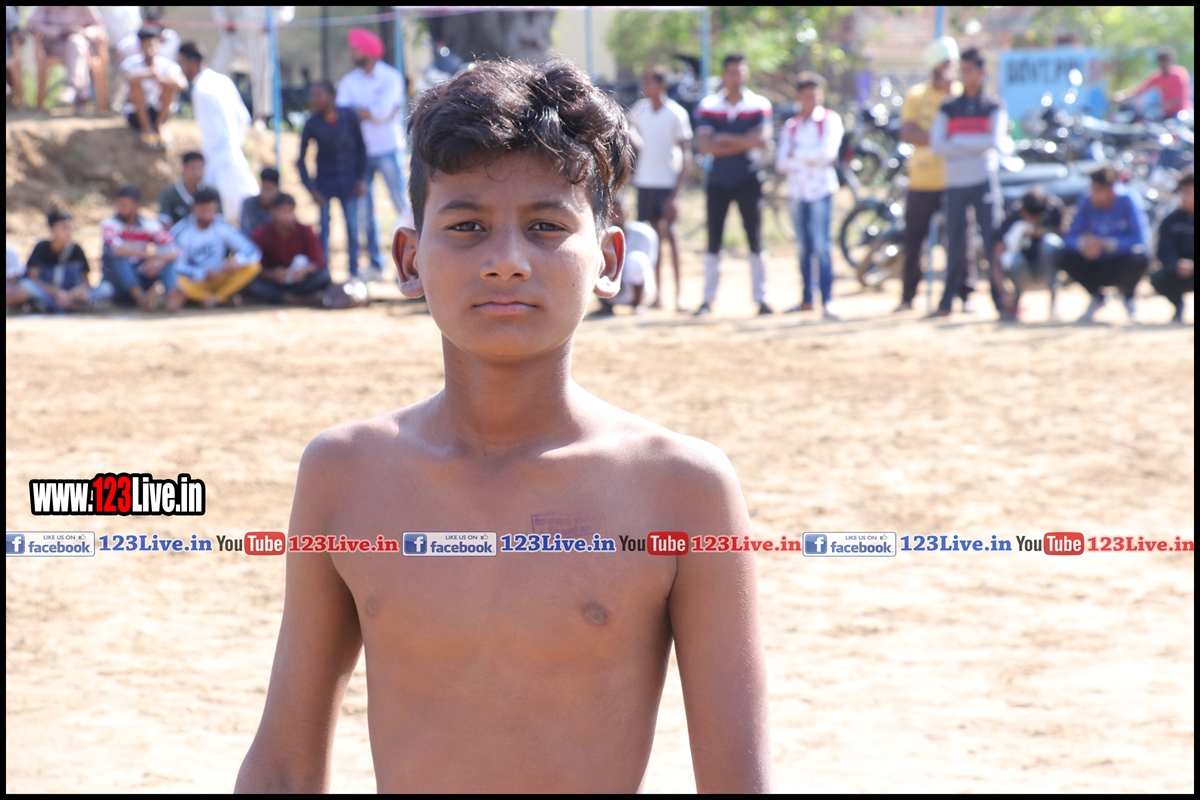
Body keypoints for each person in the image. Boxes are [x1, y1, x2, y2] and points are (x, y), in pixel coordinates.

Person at [234, 59, 769, 794]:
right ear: (409, 259)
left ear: (609, 260)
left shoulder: (680, 490)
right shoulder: (345, 475)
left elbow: (740, 782)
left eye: (547, 227)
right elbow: (285, 768)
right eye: (467, 227)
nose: (507, 262)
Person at [693, 53, 774, 316]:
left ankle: (761, 298)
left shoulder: (759, 104)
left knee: (755, 238)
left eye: (740, 72)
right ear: (724, 75)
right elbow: (705, 146)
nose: (736, 77)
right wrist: (743, 141)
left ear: (746, 74)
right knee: (713, 240)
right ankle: (707, 300)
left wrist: (723, 138)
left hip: (749, 179)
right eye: (732, 72)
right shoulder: (708, 105)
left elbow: (761, 140)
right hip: (718, 180)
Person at [929, 47, 1006, 319]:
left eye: (970, 70)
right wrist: (976, 144)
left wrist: (957, 142)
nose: (965, 75)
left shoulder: (993, 106)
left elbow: (995, 141)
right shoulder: (949, 107)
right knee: (955, 243)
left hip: (983, 181)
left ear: (982, 72)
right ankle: (947, 302)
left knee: (991, 241)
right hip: (956, 183)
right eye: (962, 70)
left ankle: (1000, 300)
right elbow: (938, 145)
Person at [336, 27, 411, 283]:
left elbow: (380, 114)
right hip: (360, 154)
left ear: (367, 51)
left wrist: (361, 112)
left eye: (355, 49)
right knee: (364, 211)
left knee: (402, 205)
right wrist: (368, 112)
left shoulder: (391, 78)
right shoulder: (349, 81)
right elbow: (344, 115)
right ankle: (376, 265)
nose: (351, 53)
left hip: (388, 148)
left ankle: (413, 261)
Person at [895, 37, 960, 313]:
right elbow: (908, 132)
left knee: (959, 240)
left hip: (955, 180)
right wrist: (942, 139)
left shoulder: (960, 95)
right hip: (922, 180)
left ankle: (964, 293)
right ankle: (908, 296)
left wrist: (935, 137)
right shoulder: (917, 95)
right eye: (945, 63)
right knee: (913, 240)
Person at [775, 71, 843, 319]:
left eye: (816, 96)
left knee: (822, 246)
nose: (812, 101)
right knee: (804, 247)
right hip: (797, 192)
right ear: (798, 98)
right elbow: (781, 162)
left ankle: (827, 300)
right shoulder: (792, 126)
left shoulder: (829, 120)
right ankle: (806, 299)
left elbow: (827, 154)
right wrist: (809, 155)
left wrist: (797, 154)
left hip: (820, 191)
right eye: (807, 96)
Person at [628, 64, 692, 311]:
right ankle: (656, 295)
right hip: (645, 182)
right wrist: (635, 138)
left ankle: (679, 294)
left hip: (666, 183)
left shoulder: (676, 114)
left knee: (671, 237)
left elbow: (686, 155)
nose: (644, 87)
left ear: (661, 84)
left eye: (649, 82)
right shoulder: (640, 110)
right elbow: (627, 126)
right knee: (650, 241)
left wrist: (676, 193)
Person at [176, 41, 259, 224]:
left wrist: (213, 156)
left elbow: (212, 131)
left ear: (191, 63)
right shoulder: (223, 80)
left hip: (217, 157)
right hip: (234, 152)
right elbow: (243, 118)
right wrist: (235, 144)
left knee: (222, 214)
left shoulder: (200, 90)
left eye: (181, 62)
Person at [1058, 166, 1150, 323]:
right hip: (1093, 262)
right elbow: (1070, 237)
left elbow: (1140, 239)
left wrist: (1108, 244)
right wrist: (1084, 244)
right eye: (1092, 189)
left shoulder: (1128, 199)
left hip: (1120, 262)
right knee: (1063, 255)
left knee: (1141, 257)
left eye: (1098, 190)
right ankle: (1097, 297)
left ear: (1111, 189)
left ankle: (1129, 298)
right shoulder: (1087, 200)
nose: (1093, 194)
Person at [298, 80, 368, 276]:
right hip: (324, 184)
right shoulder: (312, 123)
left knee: (353, 229)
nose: (314, 100)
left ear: (332, 97)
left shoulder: (349, 116)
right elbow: (300, 159)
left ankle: (354, 274)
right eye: (312, 96)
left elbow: (361, 149)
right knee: (324, 231)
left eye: (318, 95)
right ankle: (324, 275)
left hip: (349, 183)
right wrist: (311, 188)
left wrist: (362, 178)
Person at [170, 188, 262, 309]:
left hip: (220, 275)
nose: (208, 214)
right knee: (178, 281)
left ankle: (217, 298)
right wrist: (202, 273)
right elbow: (175, 265)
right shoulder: (182, 231)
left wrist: (237, 261)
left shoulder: (221, 226)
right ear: (194, 209)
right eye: (203, 210)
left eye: (211, 210)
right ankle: (213, 298)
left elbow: (252, 251)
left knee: (253, 267)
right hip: (195, 280)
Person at [100, 184, 183, 311]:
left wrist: (158, 262)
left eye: (124, 205)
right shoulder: (109, 224)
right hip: (116, 279)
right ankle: (140, 298)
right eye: (119, 204)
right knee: (119, 259)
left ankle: (172, 298)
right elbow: (115, 250)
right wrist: (149, 256)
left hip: (140, 273)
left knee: (168, 261)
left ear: (136, 206)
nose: (120, 208)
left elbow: (175, 249)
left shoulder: (148, 225)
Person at [992, 188, 1067, 322]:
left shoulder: (1054, 209)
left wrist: (1043, 232)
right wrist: (1004, 294)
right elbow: (996, 259)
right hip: (1022, 268)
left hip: (1046, 267)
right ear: (1023, 211)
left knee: (1051, 244)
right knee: (1014, 260)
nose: (1032, 220)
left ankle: (1054, 304)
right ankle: (1015, 303)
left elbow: (1064, 237)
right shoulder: (1013, 217)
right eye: (1029, 216)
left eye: (1037, 217)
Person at [210, 6, 294, 122]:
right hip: (234, 31)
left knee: (261, 75)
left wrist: (272, 22)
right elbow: (217, 8)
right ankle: (213, 109)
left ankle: (261, 117)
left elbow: (286, 11)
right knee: (218, 68)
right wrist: (224, 21)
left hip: (260, 33)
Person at [19, 210, 113, 312]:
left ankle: (68, 305)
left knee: (106, 288)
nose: (68, 232)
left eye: (70, 228)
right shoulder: (41, 248)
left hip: (72, 296)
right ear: (51, 229)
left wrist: (76, 292)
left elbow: (86, 281)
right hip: (49, 295)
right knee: (26, 285)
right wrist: (56, 293)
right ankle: (69, 306)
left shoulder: (76, 249)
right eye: (64, 228)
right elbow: (33, 278)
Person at [247, 194, 332, 306]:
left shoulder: (305, 231)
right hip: (274, 282)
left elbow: (318, 261)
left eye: (290, 211)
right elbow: (252, 265)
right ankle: (299, 299)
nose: (287, 216)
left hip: (299, 282)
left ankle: (285, 298)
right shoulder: (260, 234)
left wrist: (304, 271)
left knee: (324, 276)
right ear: (272, 211)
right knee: (253, 284)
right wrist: (271, 274)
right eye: (283, 211)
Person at [27, 6, 106, 112]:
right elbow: (32, 24)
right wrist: (60, 32)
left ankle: (73, 88)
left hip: (80, 47)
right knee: (77, 46)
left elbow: (100, 27)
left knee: (75, 41)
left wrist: (83, 31)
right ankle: (80, 95)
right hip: (55, 48)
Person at [119, 26, 185, 149]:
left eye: (152, 44)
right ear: (140, 46)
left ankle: (160, 125)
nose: (150, 48)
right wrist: (149, 74)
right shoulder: (131, 63)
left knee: (170, 86)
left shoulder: (168, 65)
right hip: (135, 114)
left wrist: (160, 78)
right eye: (146, 45)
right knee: (136, 86)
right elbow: (128, 78)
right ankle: (146, 128)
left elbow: (182, 84)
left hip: (158, 111)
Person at [593, 199, 658, 316]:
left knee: (636, 260)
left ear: (628, 212)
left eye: (621, 212)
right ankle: (607, 305)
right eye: (614, 212)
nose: (617, 216)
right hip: (611, 288)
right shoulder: (600, 234)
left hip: (639, 288)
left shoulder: (644, 233)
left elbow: (650, 264)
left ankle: (638, 304)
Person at [1149, 170, 1194, 324]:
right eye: (1182, 193)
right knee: (1158, 278)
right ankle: (1178, 305)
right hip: (1178, 271)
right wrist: (1176, 263)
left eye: (1189, 192)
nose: (1184, 197)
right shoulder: (1172, 220)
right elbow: (1163, 250)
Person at [1114, 46, 1193, 119]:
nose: (1163, 64)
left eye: (1165, 61)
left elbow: (1182, 97)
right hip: (1166, 114)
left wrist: (1161, 106)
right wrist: (1123, 96)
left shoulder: (1179, 74)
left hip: (1181, 113)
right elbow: (1140, 89)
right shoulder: (1157, 76)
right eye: (1161, 61)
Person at [159, 151, 221, 227]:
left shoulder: (212, 193)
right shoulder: (170, 194)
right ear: (182, 169)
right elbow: (164, 222)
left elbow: (219, 222)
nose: (197, 173)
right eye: (192, 168)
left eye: (200, 168)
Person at [240, 167, 281, 236]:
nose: (265, 194)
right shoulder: (249, 204)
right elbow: (246, 232)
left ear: (277, 189)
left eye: (269, 189)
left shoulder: (283, 204)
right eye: (263, 188)